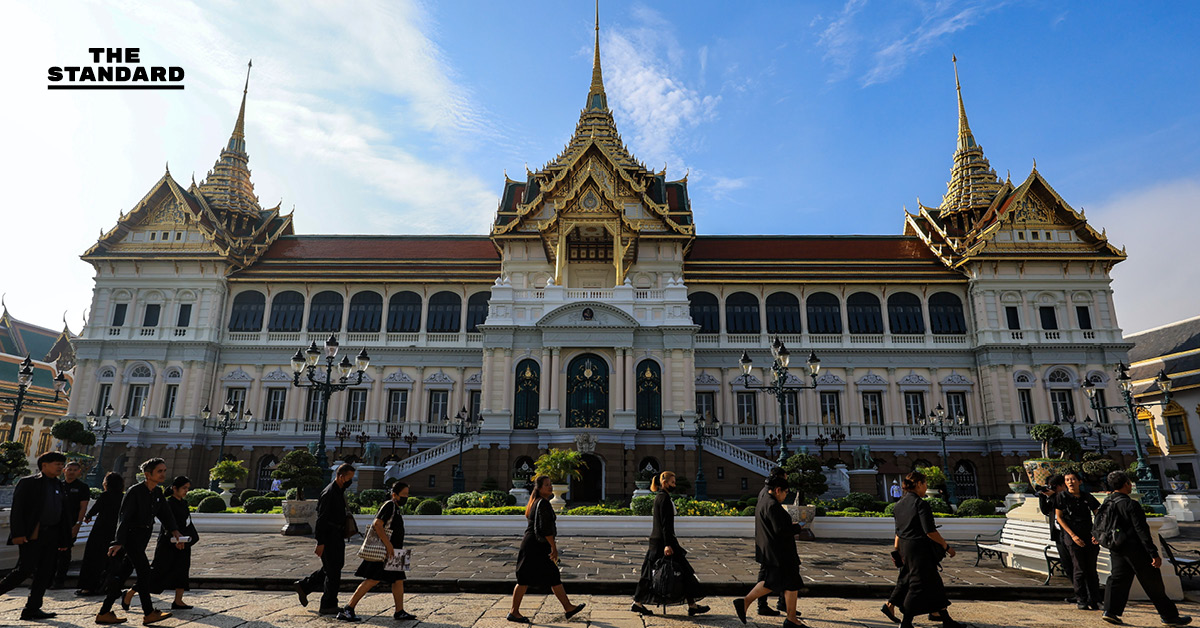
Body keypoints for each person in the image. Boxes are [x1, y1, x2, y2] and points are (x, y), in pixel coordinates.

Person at [96, 457, 183, 625]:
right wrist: (118, 541)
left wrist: (175, 531)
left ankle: (104, 612)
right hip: (131, 537)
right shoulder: (135, 491)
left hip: (143, 537)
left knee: (123, 575)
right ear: (148, 474)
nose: (163, 474)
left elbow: (166, 514)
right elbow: (124, 517)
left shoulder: (157, 492)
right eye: (159, 471)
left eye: (164, 471)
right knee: (144, 572)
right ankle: (149, 613)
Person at [1101, 471, 1192, 626]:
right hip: (1135, 549)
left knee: (1117, 579)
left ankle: (1110, 611)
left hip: (1117, 547)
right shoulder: (1130, 504)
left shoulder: (1108, 502)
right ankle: (1169, 616)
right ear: (1126, 484)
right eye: (1129, 482)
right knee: (1153, 583)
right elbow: (1141, 531)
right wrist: (1153, 553)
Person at [885, 470, 964, 628]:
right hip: (919, 548)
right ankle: (906, 622)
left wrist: (897, 550)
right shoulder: (921, 504)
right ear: (919, 484)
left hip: (905, 547)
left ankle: (945, 619)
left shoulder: (898, 505)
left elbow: (898, 531)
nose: (926, 487)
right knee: (917, 584)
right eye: (925, 484)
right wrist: (946, 547)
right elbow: (930, 532)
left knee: (933, 582)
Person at [0, 451, 70, 621]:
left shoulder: (59, 485)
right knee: (25, 570)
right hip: (33, 534)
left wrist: (64, 539)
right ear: (44, 465)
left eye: (62, 464)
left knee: (45, 573)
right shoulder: (29, 483)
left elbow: (63, 514)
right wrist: (18, 533)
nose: (60, 467)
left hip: (52, 534)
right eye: (57, 464)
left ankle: (32, 608)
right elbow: (18, 509)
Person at [508, 475, 586, 624]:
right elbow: (545, 529)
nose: (550, 487)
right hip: (534, 546)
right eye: (547, 485)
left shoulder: (536, 501)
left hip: (534, 544)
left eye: (550, 484)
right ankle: (513, 612)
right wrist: (553, 547)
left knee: (553, 575)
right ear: (539, 488)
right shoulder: (543, 503)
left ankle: (568, 607)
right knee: (524, 578)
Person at [631, 471, 709, 616]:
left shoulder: (659, 497)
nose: (674, 485)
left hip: (658, 540)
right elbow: (665, 525)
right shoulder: (664, 499)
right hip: (664, 542)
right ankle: (691, 605)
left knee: (649, 573)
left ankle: (638, 602)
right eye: (672, 482)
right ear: (664, 483)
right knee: (684, 571)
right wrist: (668, 544)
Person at [733, 475, 805, 628]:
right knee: (778, 582)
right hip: (781, 552)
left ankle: (791, 618)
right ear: (778, 490)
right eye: (785, 492)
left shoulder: (763, 500)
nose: (785, 495)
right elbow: (780, 530)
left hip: (774, 551)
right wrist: (797, 527)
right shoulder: (772, 505)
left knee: (785, 583)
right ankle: (746, 602)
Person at [340, 482, 414, 622]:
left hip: (395, 551)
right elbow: (377, 524)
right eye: (404, 494)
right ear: (394, 495)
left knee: (398, 580)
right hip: (385, 551)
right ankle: (348, 608)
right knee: (372, 579)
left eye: (407, 494)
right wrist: (388, 545)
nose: (406, 497)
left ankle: (399, 611)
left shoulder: (396, 508)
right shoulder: (389, 505)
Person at [122, 476, 197, 611]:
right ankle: (130, 593)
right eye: (184, 488)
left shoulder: (183, 503)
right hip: (168, 542)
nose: (186, 491)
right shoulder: (168, 503)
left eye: (188, 488)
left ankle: (178, 600)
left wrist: (185, 539)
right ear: (175, 488)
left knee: (182, 569)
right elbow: (166, 522)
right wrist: (174, 537)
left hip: (183, 540)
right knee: (157, 572)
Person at [295, 463, 356, 615]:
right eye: (349, 478)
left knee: (333, 567)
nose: (350, 481)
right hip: (329, 536)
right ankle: (328, 604)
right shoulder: (329, 493)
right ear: (340, 476)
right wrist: (320, 542)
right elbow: (321, 520)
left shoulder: (339, 491)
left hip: (337, 535)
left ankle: (305, 586)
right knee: (333, 572)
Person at [1055, 470, 1101, 610]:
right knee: (1079, 568)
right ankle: (1081, 599)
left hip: (1089, 534)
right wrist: (1072, 535)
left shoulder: (1087, 496)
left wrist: (1096, 533)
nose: (1070, 482)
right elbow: (1059, 517)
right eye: (1067, 480)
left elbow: (1098, 514)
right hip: (1072, 535)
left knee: (1091, 569)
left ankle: (1095, 599)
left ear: (1080, 481)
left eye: (1073, 479)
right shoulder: (1062, 497)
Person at [77, 472, 125, 596]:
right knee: (111, 561)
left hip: (101, 530)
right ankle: (107, 586)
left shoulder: (105, 496)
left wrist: (88, 516)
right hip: (115, 531)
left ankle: (88, 587)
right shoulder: (123, 497)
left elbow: (95, 509)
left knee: (93, 558)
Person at [753, 467, 788, 618]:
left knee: (775, 575)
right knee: (768, 577)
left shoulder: (764, 493)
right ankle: (758, 603)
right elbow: (776, 525)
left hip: (766, 541)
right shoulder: (769, 498)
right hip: (770, 543)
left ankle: (783, 602)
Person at [53, 460, 90, 589]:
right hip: (55, 523)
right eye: (69, 470)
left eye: (75, 470)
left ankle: (59, 580)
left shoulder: (82, 487)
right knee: (51, 552)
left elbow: (83, 507)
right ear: (64, 471)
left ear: (79, 472)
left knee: (65, 552)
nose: (71, 472)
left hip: (71, 523)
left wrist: (78, 524)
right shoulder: (58, 485)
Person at [1037, 474, 1074, 595]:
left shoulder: (1069, 496)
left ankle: (1085, 594)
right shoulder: (1054, 497)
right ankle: (1078, 592)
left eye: (1054, 486)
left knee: (1077, 565)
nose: (1052, 489)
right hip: (1058, 534)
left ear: (1062, 485)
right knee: (1067, 565)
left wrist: (1053, 496)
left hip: (1070, 534)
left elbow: (1063, 506)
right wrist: (1042, 496)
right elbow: (1045, 510)